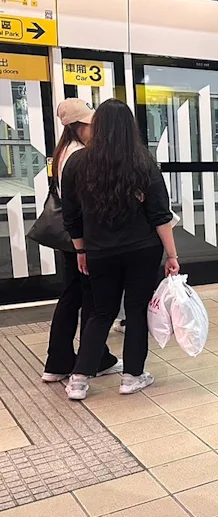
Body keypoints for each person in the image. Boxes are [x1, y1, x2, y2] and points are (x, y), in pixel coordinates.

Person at [61, 98, 179, 400]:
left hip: (99, 251)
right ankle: (132, 376)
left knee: (101, 313)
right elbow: (160, 214)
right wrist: (172, 255)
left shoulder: (77, 163)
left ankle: (78, 380)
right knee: (137, 311)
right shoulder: (142, 162)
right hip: (142, 250)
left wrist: (81, 252)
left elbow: (71, 216)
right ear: (130, 128)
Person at [41, 99, 122, 383]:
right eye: (90, 124)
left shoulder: (62, 151)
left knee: (72, 296)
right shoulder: (79, 156)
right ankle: (96, 358)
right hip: (81, 240)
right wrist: (84, 247)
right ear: (77, 126)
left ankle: (59, 361)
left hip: (70, 237)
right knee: (91, 298)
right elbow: (83, 205)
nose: (95, 129)